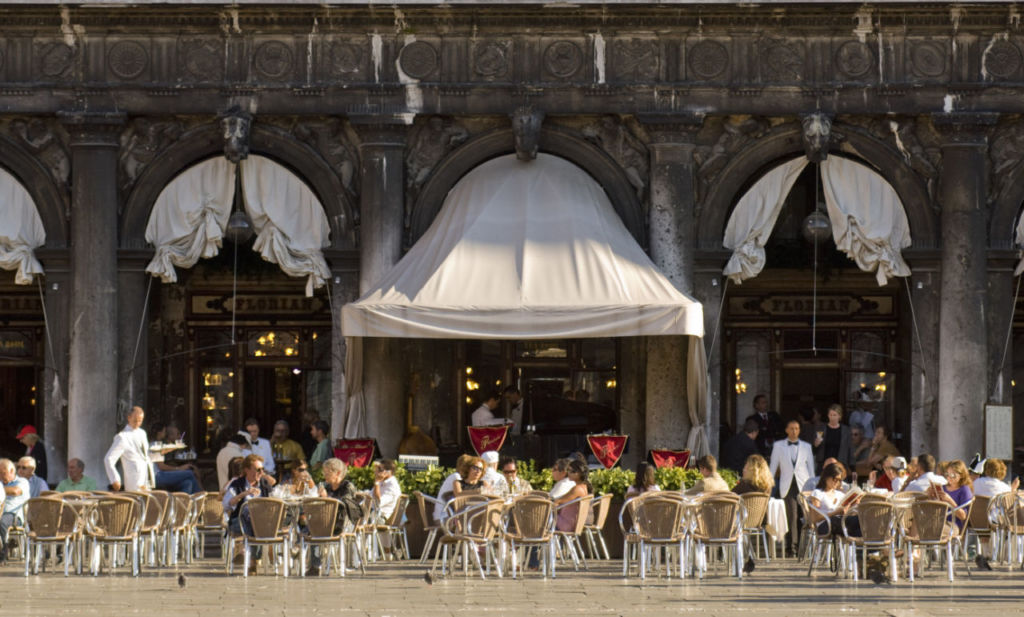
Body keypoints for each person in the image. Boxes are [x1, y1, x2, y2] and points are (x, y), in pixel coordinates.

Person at [769, 419, 815, 557]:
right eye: (791, 428)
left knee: (804, 515)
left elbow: (810, 467)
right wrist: (769, 483)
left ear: (799, 430)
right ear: (786, 430)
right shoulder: (778, 446)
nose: (794, 431)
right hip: (787, 484)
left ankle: (803, 546)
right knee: (792, 515)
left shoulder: (806, 446)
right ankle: (792, 548)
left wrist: (813, 486)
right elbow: (773, 466)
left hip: (803, 484)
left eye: (796, 428)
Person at [222, 454, 273, 570]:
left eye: (262, 469)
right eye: (258, 470)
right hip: (238, 523)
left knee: (257, 519)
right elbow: (226, 505)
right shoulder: (237, 484)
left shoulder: (265, 485)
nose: (261, 472)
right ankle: (253, 559)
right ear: (247, 470)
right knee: (247, 512)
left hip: (261, 523)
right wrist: (243, 494)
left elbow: (273, 502)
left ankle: (247, 552)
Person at [104, 406, 155, 491]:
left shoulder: (142, 433)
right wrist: (115, 479)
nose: (137, 423)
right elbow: (108, 459)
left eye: (140, 421)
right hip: (134, 479)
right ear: (129, 418)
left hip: (146, 477)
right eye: (135, 420)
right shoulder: (122, 437)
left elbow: (145, 455)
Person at [809, 462, 862, 538]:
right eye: (835, 479)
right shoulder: (818, 493)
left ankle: (861, 549)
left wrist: (855, 505)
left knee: (860, 523)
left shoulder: (840, 494)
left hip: (840, 522)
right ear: (826, 477)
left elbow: (847, 514)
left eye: (839, 480)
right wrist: (835, 512)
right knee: (840, 521)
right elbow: (815, 518)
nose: (836, 482)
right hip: (825, 525)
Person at [928, 460, 972, 530]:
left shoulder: (964, 490)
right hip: (940, 521)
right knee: (918, 520)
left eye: (953, 475)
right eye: (947, 474)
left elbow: (963, 516)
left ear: (961, 475)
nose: (949, 477)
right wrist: (931, 496)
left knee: (930, 527)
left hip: (954, 525)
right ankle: (914, 539)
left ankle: (916, 539)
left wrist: (949, 500)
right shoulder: (944, 487)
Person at [1, 458, 29, 563]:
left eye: (2, 473)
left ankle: (2, 552)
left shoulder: (22, 481)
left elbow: (16, 491)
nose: (0, 475)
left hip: (13, 515)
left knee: (2, 521)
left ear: (11, 471)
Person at [554, 460, 590, 532]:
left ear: (579, 473)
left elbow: (558, 501)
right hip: (572, 523)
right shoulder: (584, 487)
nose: (568, 473)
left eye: (571, 471)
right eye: (568, 470)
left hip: (565, 525)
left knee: (539, 518)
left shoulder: (577, 489)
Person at [435, 454, 472, 521]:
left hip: (442, 515)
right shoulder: (456, 477)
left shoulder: (454, 476)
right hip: (444, 517)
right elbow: (460, 496)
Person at [818, 404, 852, 472]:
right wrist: (816, 444)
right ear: (828, 415)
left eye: (835, 415)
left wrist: (852, 468)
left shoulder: (846, 430)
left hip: (840, 464)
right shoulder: (821, 428)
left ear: (839, 416)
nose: (832, 417)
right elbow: (815, 449)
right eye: (831, 415)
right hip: (824, 464)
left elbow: (850, 449)